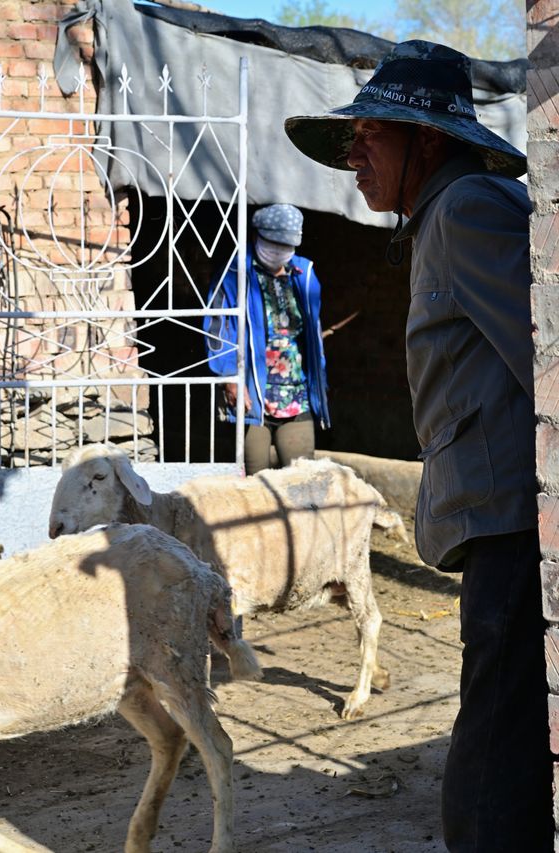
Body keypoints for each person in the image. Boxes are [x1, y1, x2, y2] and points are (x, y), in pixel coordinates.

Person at [285, 40, 552, 853]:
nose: (354, 155)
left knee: (490, 770)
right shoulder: (438, 217)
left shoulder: (470, 208)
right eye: (354, 136)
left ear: (428, 140)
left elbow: (544, 363)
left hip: (512, 527)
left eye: (373, 134)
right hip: (492, 525)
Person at [204, 203, 330, 475]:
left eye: (287, 245)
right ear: (256, 236)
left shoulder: (304, 274)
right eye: (273, 243)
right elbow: (217, 328)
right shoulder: (235, 274)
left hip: (296, 393)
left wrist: (319, 382)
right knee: (253, 483)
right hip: (251, 391)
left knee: (302, 480)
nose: (279, 251)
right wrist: (229, 376)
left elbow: (312, 332)